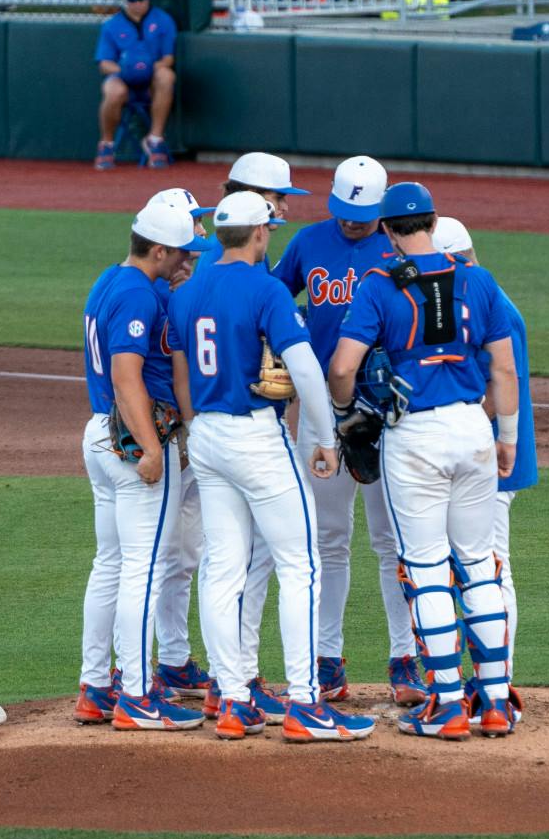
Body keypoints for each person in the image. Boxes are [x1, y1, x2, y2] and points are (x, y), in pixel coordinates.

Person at [169, 191, 369, 744]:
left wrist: (196, 430)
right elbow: (305, 370)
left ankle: (232, 700)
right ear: (259, 233)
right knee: (300, 564)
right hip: (256, 437)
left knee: (222, 569)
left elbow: (183, 371)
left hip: (206, 435)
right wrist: (326, 438)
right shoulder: (265, 289)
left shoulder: (187, 291)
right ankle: (307, 703)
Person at [326, 179, 519, 740]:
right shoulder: (478, 281)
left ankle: (447, 705)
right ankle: (497, 704)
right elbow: (503, 370)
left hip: (415, 439)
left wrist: (344, 415)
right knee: (479, 563)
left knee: (427, 566)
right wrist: (505, 435)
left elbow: (342, 368)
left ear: (387, 230)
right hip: (473, 428)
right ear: (434, 223)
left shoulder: (379, 284)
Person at [270, 156, 427, 707]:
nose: (354, 223)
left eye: (364, 215)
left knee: (394, 541)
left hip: (388, 411)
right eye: (346, 213)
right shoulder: (309, 243)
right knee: (328, 540)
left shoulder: (398, 249)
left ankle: (405, 657)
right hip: (320, 410)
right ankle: (326, 658)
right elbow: (272, 300)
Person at [72, 192, 210, 730]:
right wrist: (152, 447)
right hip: (133, 442)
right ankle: (135, 695)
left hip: (99, 435)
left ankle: (96, 687)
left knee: (110, 565)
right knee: (143, 571)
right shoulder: (137, 296)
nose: (189, 260)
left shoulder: (112, 279)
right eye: (181, 252)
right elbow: (127, 376)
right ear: (157, 249)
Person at [427, 215, 533, 718]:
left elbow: (497, 384)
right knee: (481, 566)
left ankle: (499, 677)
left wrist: (462, 424)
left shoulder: (489, 305)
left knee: (491, 566)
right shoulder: (489, 296)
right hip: (481, 455)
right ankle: (490, 677)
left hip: (487, 456)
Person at [93, 0, 176, 171]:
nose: (138, 3)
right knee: (114, 90)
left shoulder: (163, 20)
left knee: (166, 76)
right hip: (123, 78)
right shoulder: (111, 26)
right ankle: (107, 144)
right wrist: (127, 69)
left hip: (151, 82)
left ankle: (155, 139)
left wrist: (147, 68)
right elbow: (104, 63)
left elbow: (168, 59)